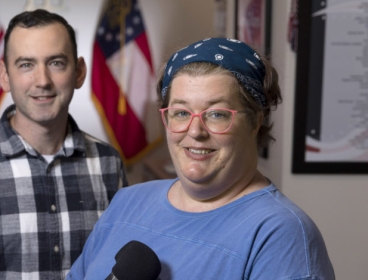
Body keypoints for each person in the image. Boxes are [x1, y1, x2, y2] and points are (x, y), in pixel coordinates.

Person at [68, 38, 335, 279]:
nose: (195, 132)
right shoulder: (127, 202)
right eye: (181, 113)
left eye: (217, 114)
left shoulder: (281, 235)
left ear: (255, 121)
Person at [0, 9, 127, 280]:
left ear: (79, 72)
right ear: (5, 76)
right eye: (26, 64)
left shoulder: (108, 163)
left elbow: (117, 263)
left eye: (56, 63)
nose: (42, 81)